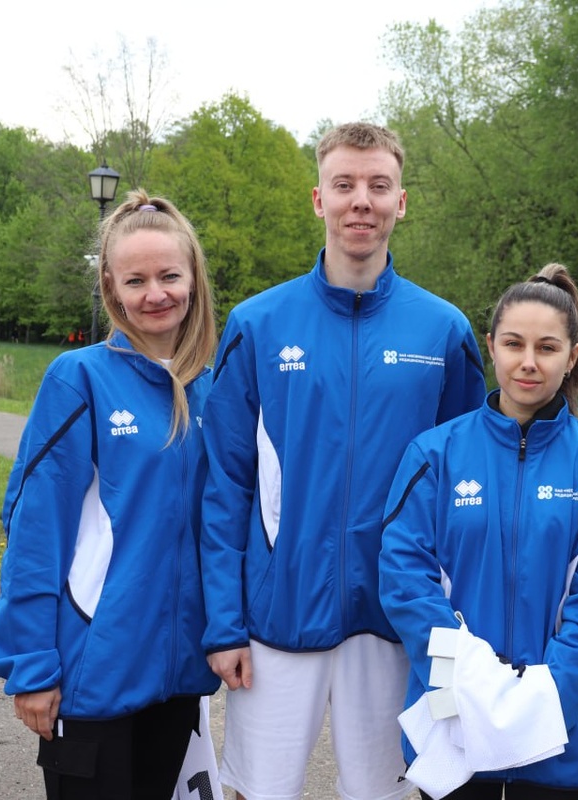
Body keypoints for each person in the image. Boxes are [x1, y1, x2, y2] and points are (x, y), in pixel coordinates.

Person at [200, 121, 487, 800]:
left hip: (395, 617)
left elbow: (467, 487)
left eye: (378, 185)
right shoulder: (257, 324)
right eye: (345, 184)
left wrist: (456, 626)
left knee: (384, 794)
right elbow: (225, 484)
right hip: (277, 613)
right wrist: (224, 622)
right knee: (260, 792)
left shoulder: (443, 330)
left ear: (400, 202)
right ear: (318, 199)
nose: (362, 200)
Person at [0, 189, 220, 799]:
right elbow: (35, 529)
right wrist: (32, 664)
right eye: (135, 280)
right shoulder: (78, 378)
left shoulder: (213, 386)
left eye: (169, 275)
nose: (155, 293)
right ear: (111, 287)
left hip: (179, 678)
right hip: (92, 675)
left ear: (193, 278)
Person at [379, 263, 578, 799]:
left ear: (572, 357)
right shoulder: (434, 455)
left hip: (556, 735)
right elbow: (406, 583)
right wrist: (467, 681)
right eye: (513, 343)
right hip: (455, 723)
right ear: (491, 347)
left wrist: (541, 702)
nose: (528, 362)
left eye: (547, 348)